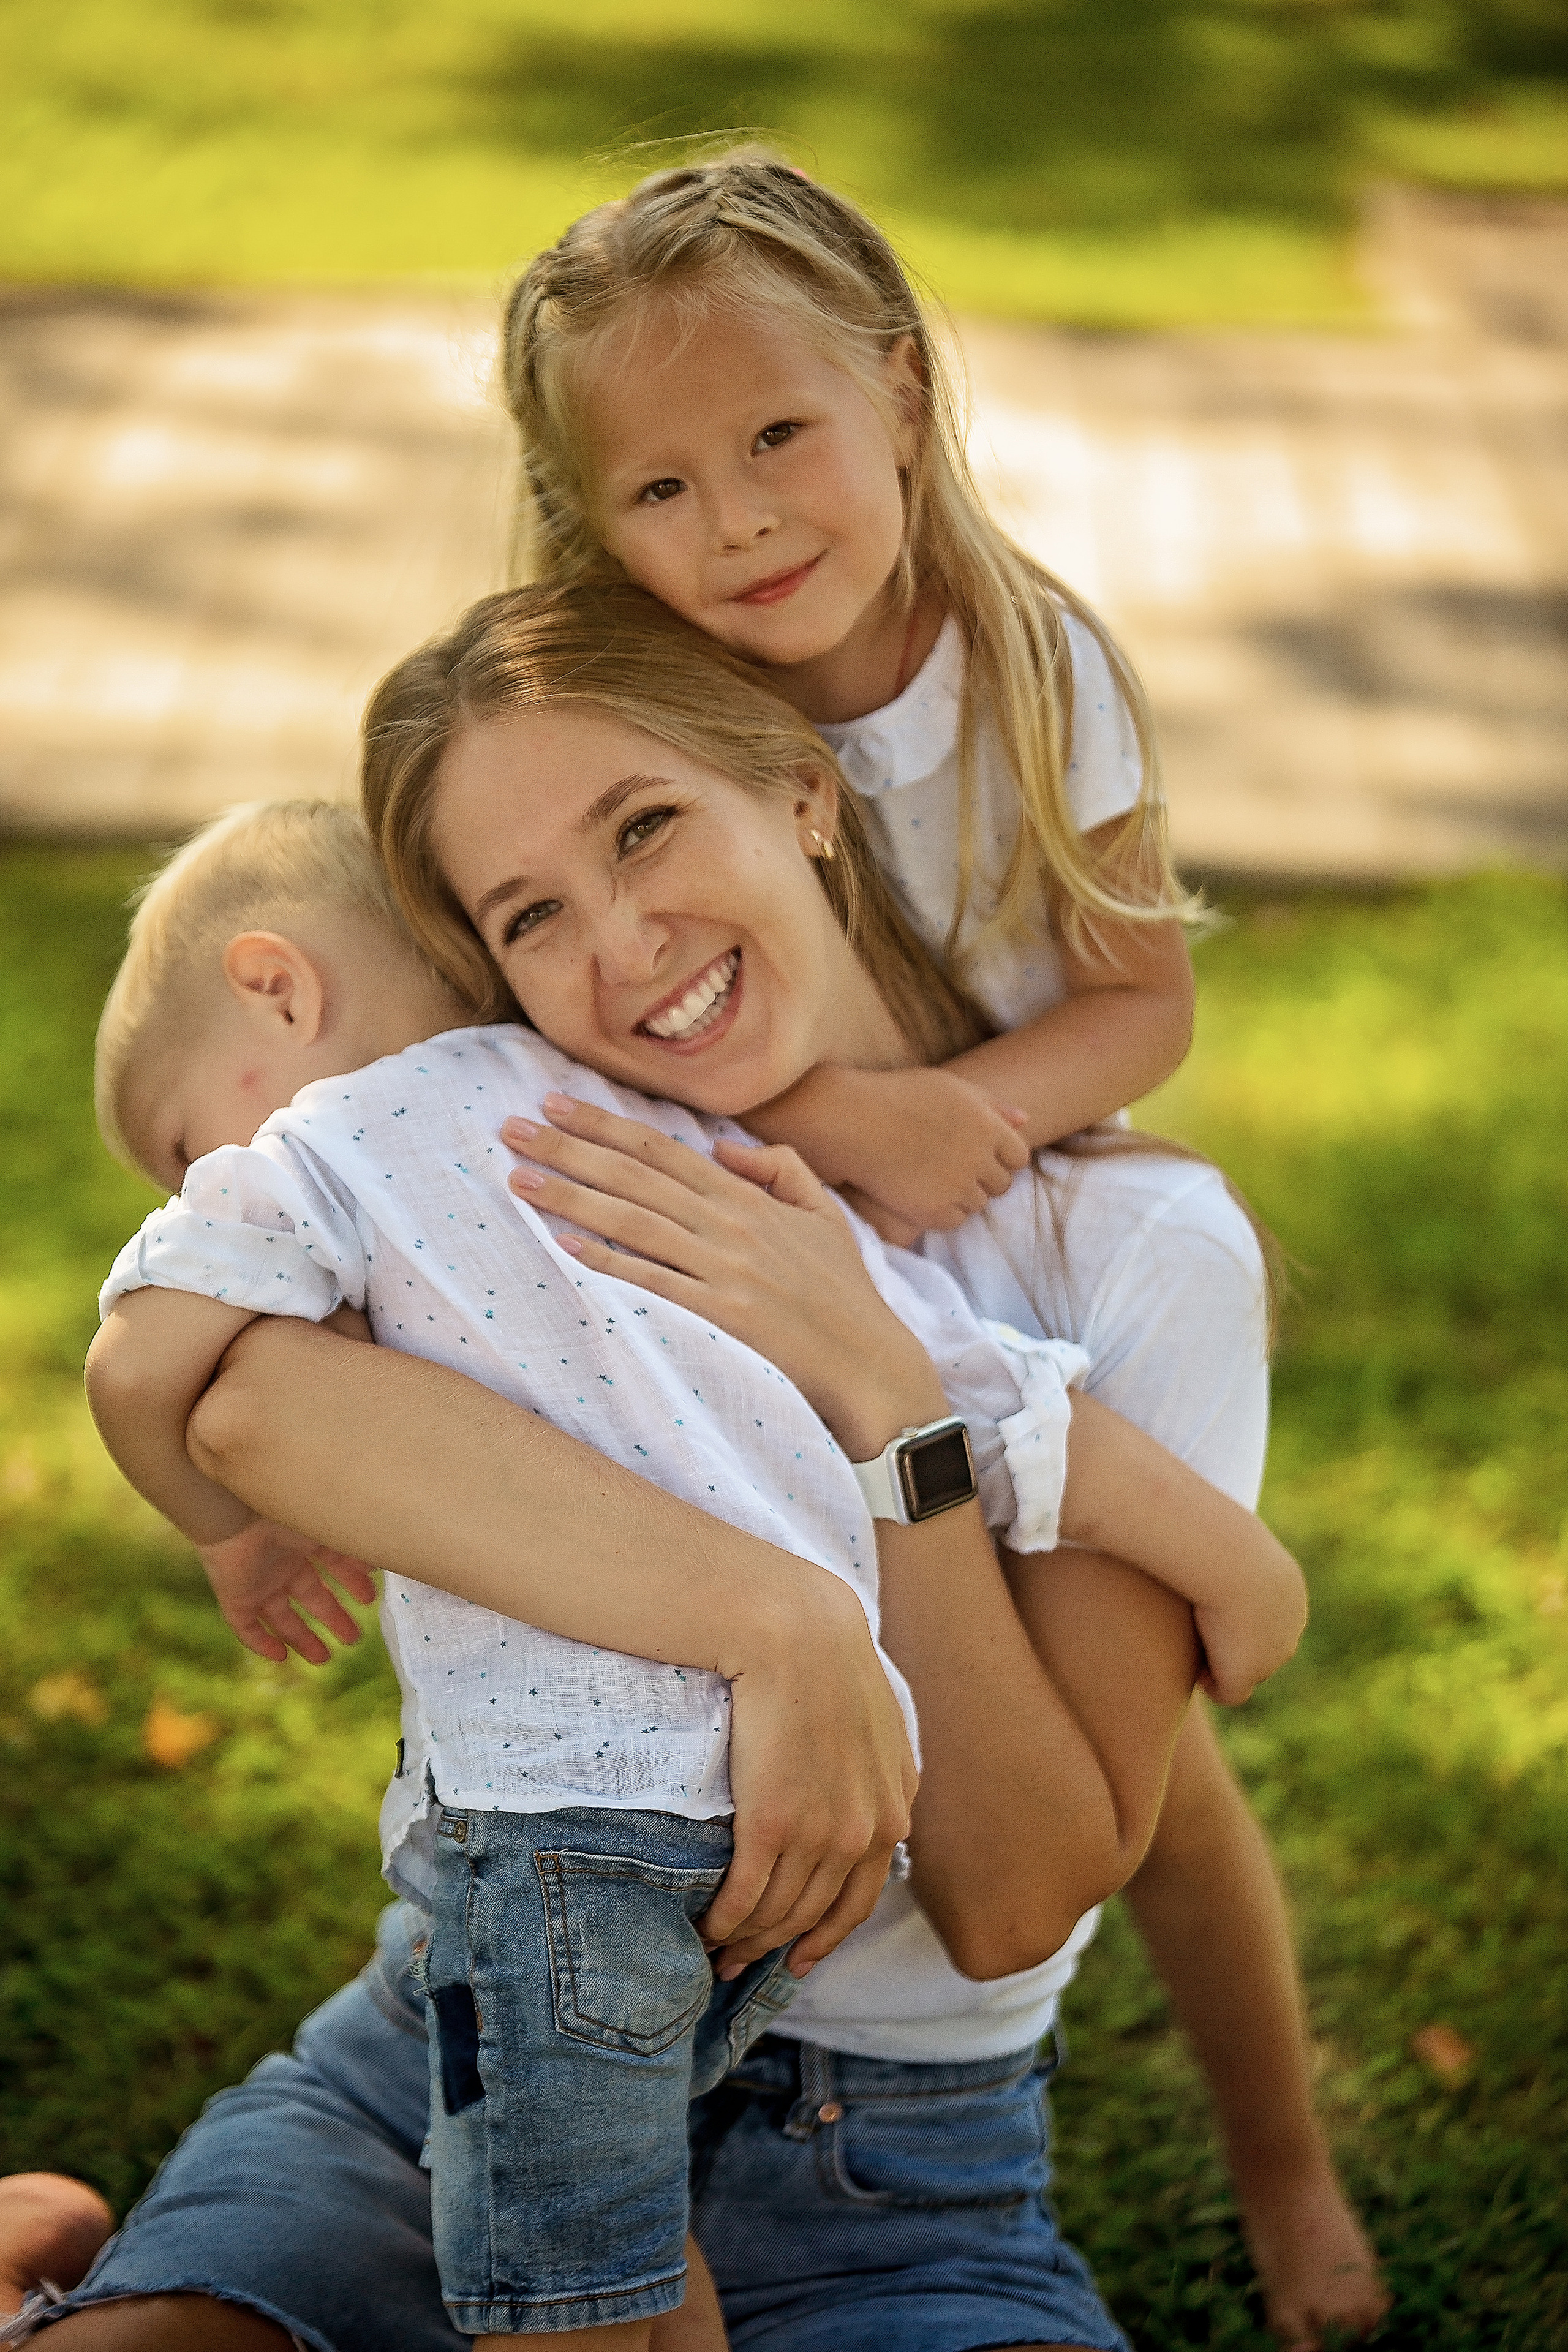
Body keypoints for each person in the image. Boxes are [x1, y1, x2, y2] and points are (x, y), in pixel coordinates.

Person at [78, 798, 1300, 2350]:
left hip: (841, 2109)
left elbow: (151, 1373)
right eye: (530, 912)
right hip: (530, 1956)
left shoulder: (362, 1155)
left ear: (277, 990)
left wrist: (221, 1525)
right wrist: (789, 1620)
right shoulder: (604, 1151)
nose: (187, 1200)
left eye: (182, 1153)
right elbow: (244, 1408)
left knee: (581, 2299)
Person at [360, 575, 1388, 2346]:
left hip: (883, 2139)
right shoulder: (528, 1157)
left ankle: (1288, 2174)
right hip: (484, 2046)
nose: (623, 945)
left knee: (1173, 1797)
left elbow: (1012, 1901)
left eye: (646, 825)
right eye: (531, 913)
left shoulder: (1129, 1254)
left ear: (806, 795)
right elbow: (231, 1338)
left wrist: (886, 1399)